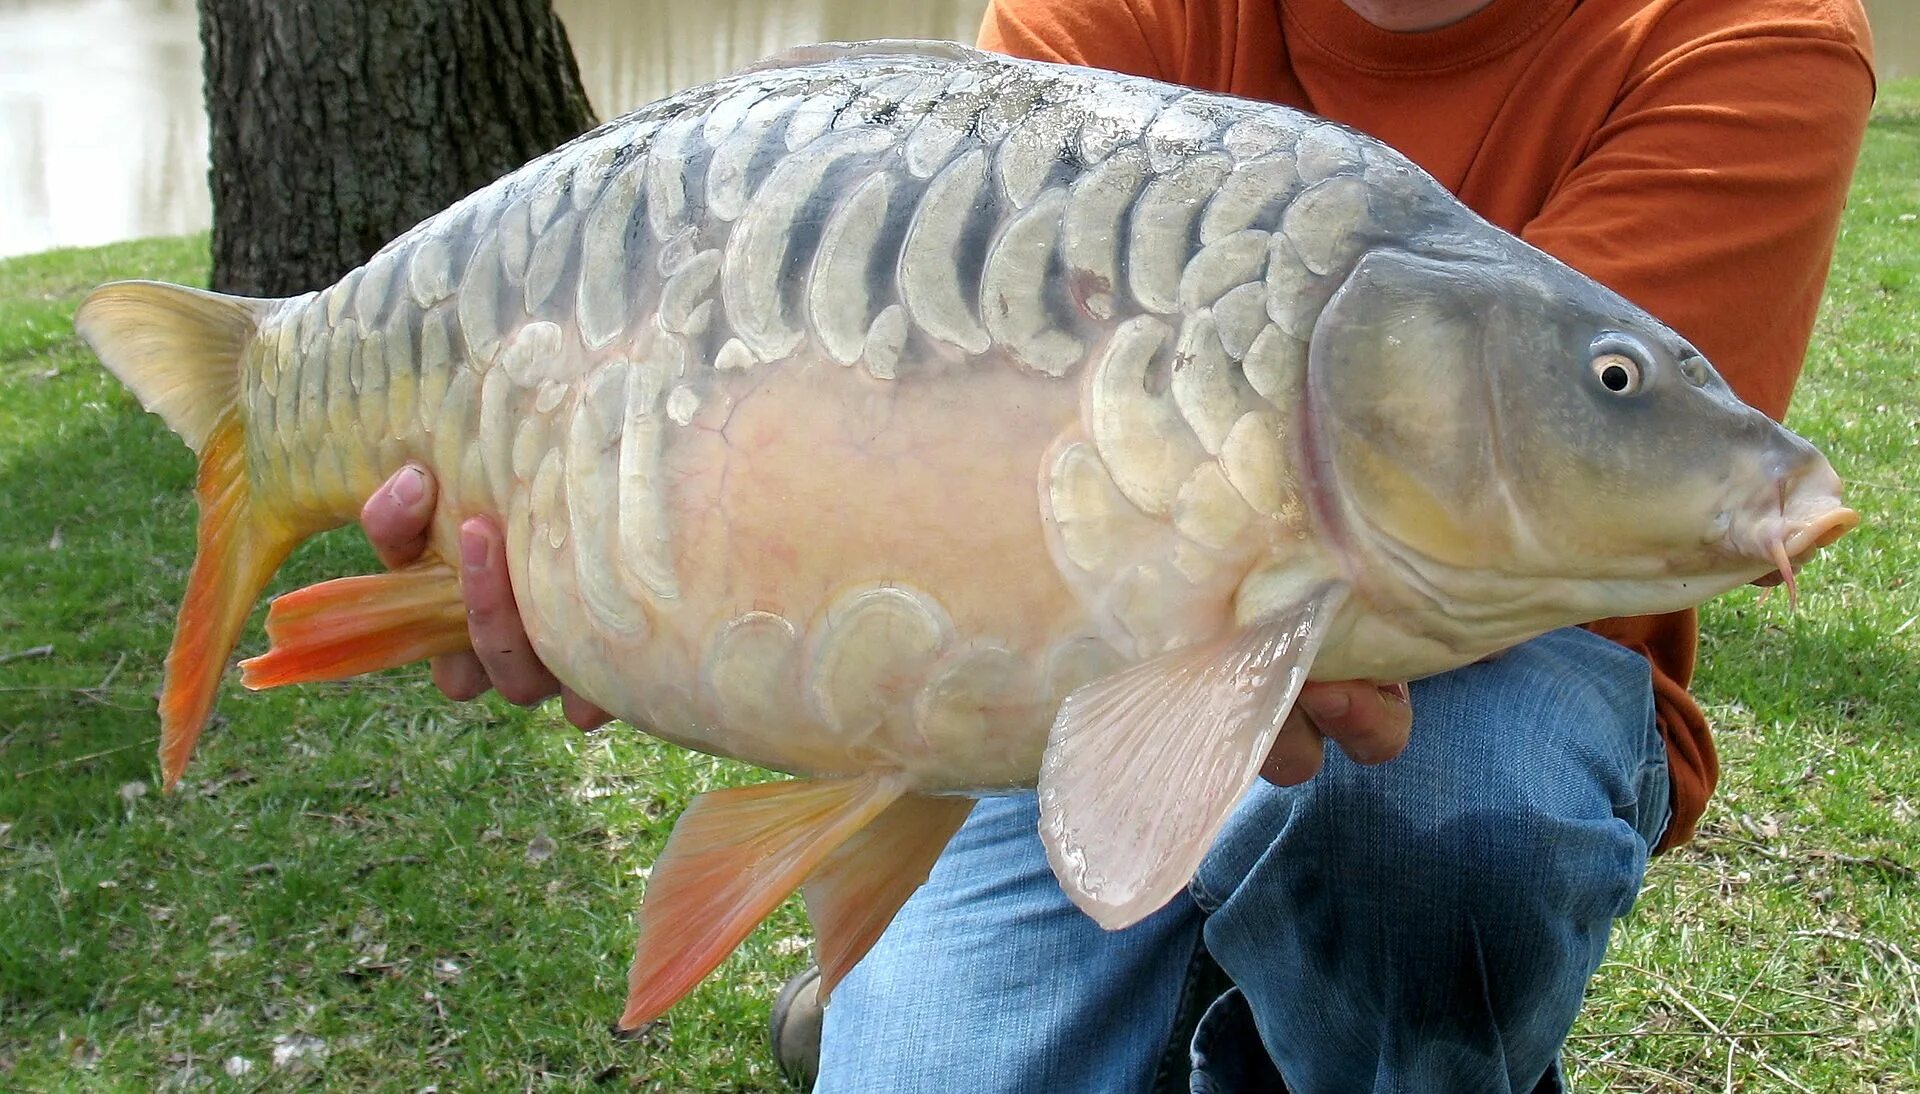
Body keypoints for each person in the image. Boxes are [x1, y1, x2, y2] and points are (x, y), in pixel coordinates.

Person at [359, 0, 1875, 1088]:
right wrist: (620, 586)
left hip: (1492, 679)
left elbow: (1500, 508)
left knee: (1431, 831)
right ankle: (908, 984)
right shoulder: (1119, 12)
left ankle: (1330, 1008)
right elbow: (904, 379)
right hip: (1058, 667)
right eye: (1619, 381)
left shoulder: (1742, 34)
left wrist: (1273, 599)